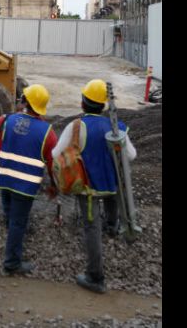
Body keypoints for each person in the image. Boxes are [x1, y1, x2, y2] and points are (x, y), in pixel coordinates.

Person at [51, 79, 136, 294]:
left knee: (91, 228)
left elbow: (55, 153)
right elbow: (131, 155)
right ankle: (112, 226)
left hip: (88, 187)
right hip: (112, 184)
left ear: (83, 103)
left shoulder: (76, 126)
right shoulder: (116, 127)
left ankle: (95, 277)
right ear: (103, 105)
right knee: (111, 200)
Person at [0, 84, 58, 275]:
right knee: (19, 221)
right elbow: (53, 164)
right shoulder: (48, 133)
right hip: (25, 185)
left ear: (25, 102)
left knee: (11, 214)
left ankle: (12, 239)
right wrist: (54, 185)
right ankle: (12, 262)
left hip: (4, 178)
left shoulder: (7, 120)